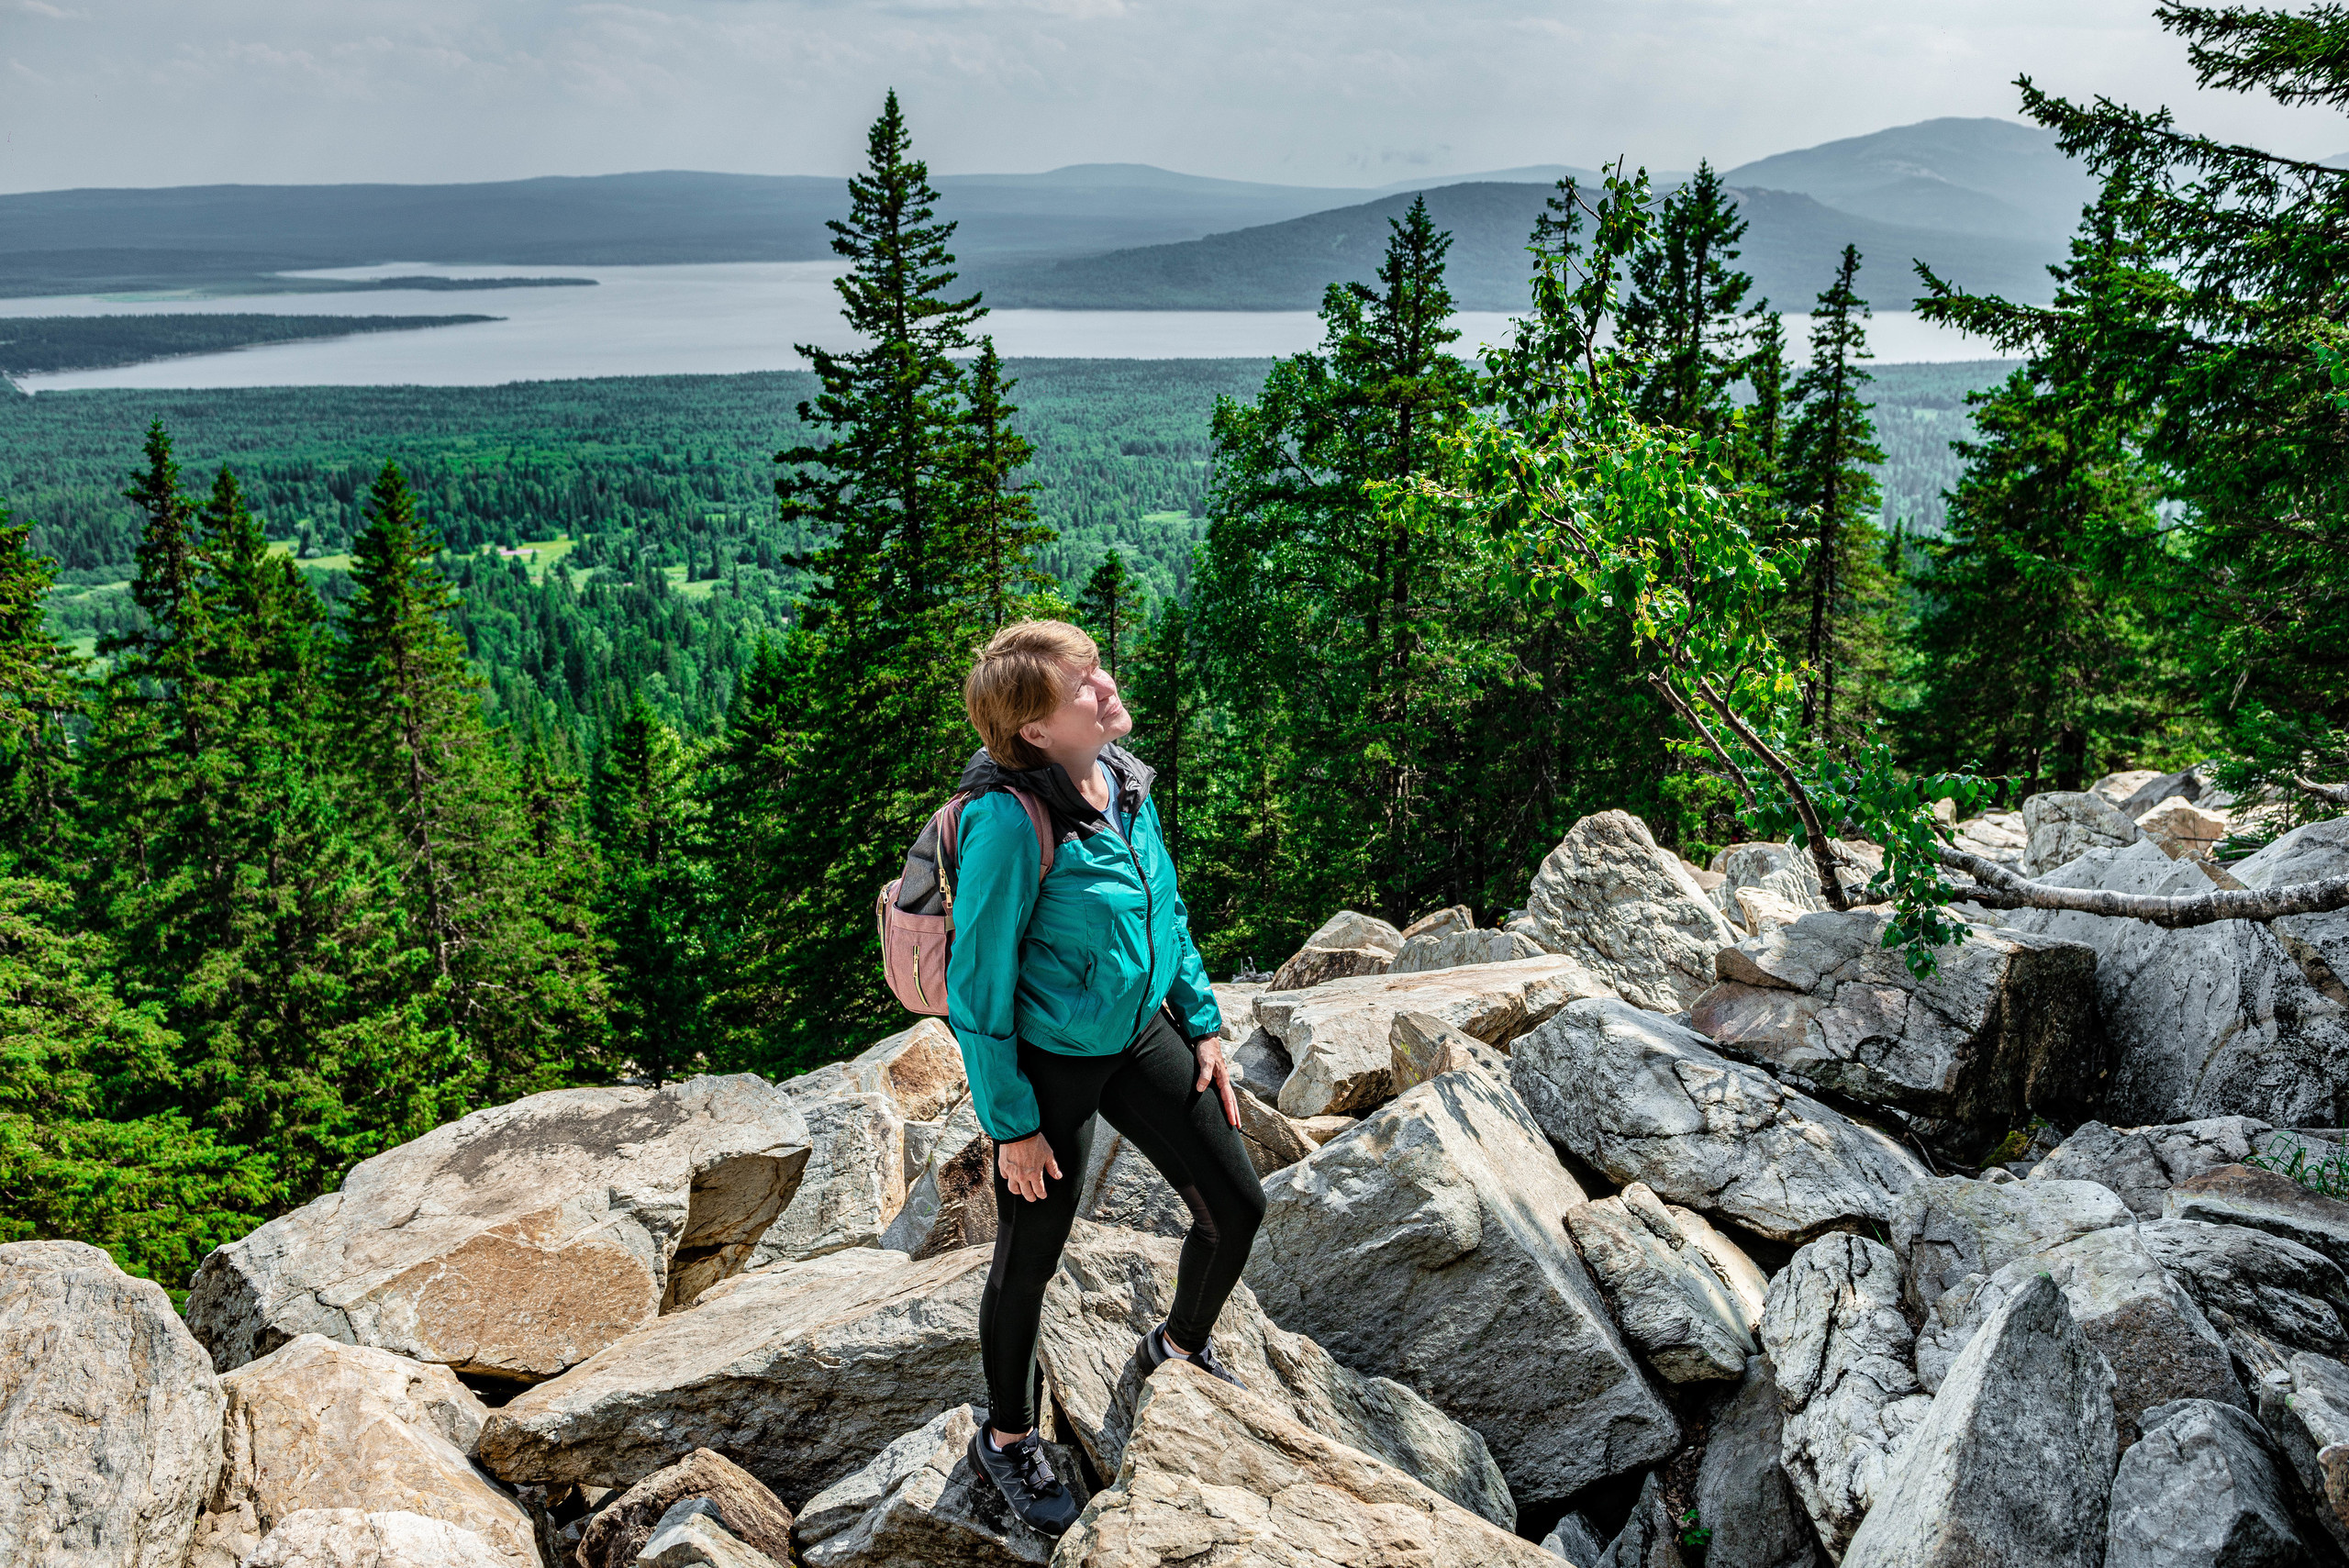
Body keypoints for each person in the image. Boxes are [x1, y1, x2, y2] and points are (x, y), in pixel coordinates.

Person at [945, 617, 1264, 1537]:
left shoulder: (1123, 780)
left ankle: (1177, 1346)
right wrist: (1012, 1124)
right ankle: (1006, 1437)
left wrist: (1200, 1023)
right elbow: (978, 988)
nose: (1104, 684)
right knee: (1030, 1253)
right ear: (1035, 731)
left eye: (1094, 667)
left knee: (1237, 1205)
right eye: (1081, 681)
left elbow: (1163, 904)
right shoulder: (1010, 820)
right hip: (1049, 1062)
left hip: (1138, 1032)